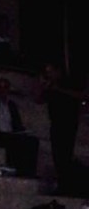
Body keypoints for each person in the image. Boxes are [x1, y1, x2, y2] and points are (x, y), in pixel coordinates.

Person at [37, 63, 87, 195]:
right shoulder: (50, 86)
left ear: (58, 71)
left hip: (68, 122)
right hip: (55, 122)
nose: (49, 74)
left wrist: (58, 89)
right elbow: (39, 100)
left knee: (65, 155)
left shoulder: (70, 82)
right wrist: (43, 87)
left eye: (50, 71)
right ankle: (63, 183)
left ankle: (67, 184)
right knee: (57, 155)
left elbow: (82, 96)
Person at [0, 78, 39, 178]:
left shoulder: (12, 105)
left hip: (11, 134)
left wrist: (23, 132)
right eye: (0, 87)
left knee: (32, 142)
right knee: (13, 143)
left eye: (5, 87)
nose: (2, 90)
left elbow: (17, 124)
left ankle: (28, 173)